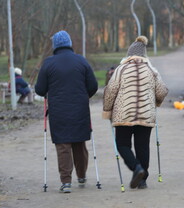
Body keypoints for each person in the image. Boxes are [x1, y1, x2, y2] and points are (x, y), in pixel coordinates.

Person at [35, 30, 98, 193]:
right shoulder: (81, 61)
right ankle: (82, 175)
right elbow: (93, 86)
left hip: (59, 111)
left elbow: (40, 89)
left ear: (55, 46)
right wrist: (83, 97)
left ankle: (66, 181)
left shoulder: (48, 63)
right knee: (79, 143)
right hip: (80, 110)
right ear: (69, 44)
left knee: (63, 145)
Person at [102, 36, 168, 189]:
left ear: (129, 54)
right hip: (146, 115)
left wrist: (107, 110)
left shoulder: (121, 69)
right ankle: (143, 179)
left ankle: (136, 168)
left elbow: (110, 90)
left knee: (122, 144)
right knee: (142, 147)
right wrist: (155, 102)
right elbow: (162, 91)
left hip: (123, 114)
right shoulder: (151, 70)